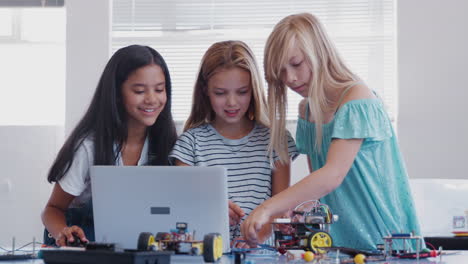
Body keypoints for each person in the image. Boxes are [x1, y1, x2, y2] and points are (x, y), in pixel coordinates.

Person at [241, 13, 422, 251]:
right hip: (338, 243)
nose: (290, 79)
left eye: (296, 64)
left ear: (319, 52)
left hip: (384, 237)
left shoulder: (357, 97)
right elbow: (320, 190)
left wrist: (267, 207)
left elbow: (332, 175)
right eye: (281, 72)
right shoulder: (307, 110)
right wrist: (295, 209)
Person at [41, 45, 177, 246]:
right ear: (116, 94)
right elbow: (52, 209)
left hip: (134, 245)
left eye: (159, 89)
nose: (152, 99)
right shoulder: (88, 147)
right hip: (88, 244)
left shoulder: (168, 144)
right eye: (139, 90)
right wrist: (64, 232)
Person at [169, 40, 298, 246]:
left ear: (254, 89)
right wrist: (212, 212)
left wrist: (256, 238)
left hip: (261, 253)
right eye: (220, 93)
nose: (232, 102)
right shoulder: (189, 145)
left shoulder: (276, 141)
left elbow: (279, 208)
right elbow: (184, 211)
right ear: (205, 91)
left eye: (242, 92)